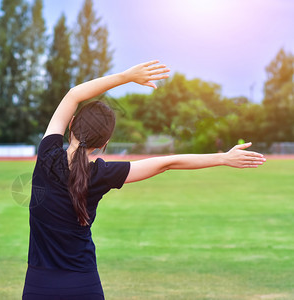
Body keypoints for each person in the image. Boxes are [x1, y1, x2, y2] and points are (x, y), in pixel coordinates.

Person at [22, 61, 266, 299]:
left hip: (38, 286)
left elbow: (74, 95)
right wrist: (223, 158)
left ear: (72, 124)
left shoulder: (46, 154)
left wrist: (125, 77)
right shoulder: (101, 174)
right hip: (84, 285)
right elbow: (167, 163)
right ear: (104, 144)